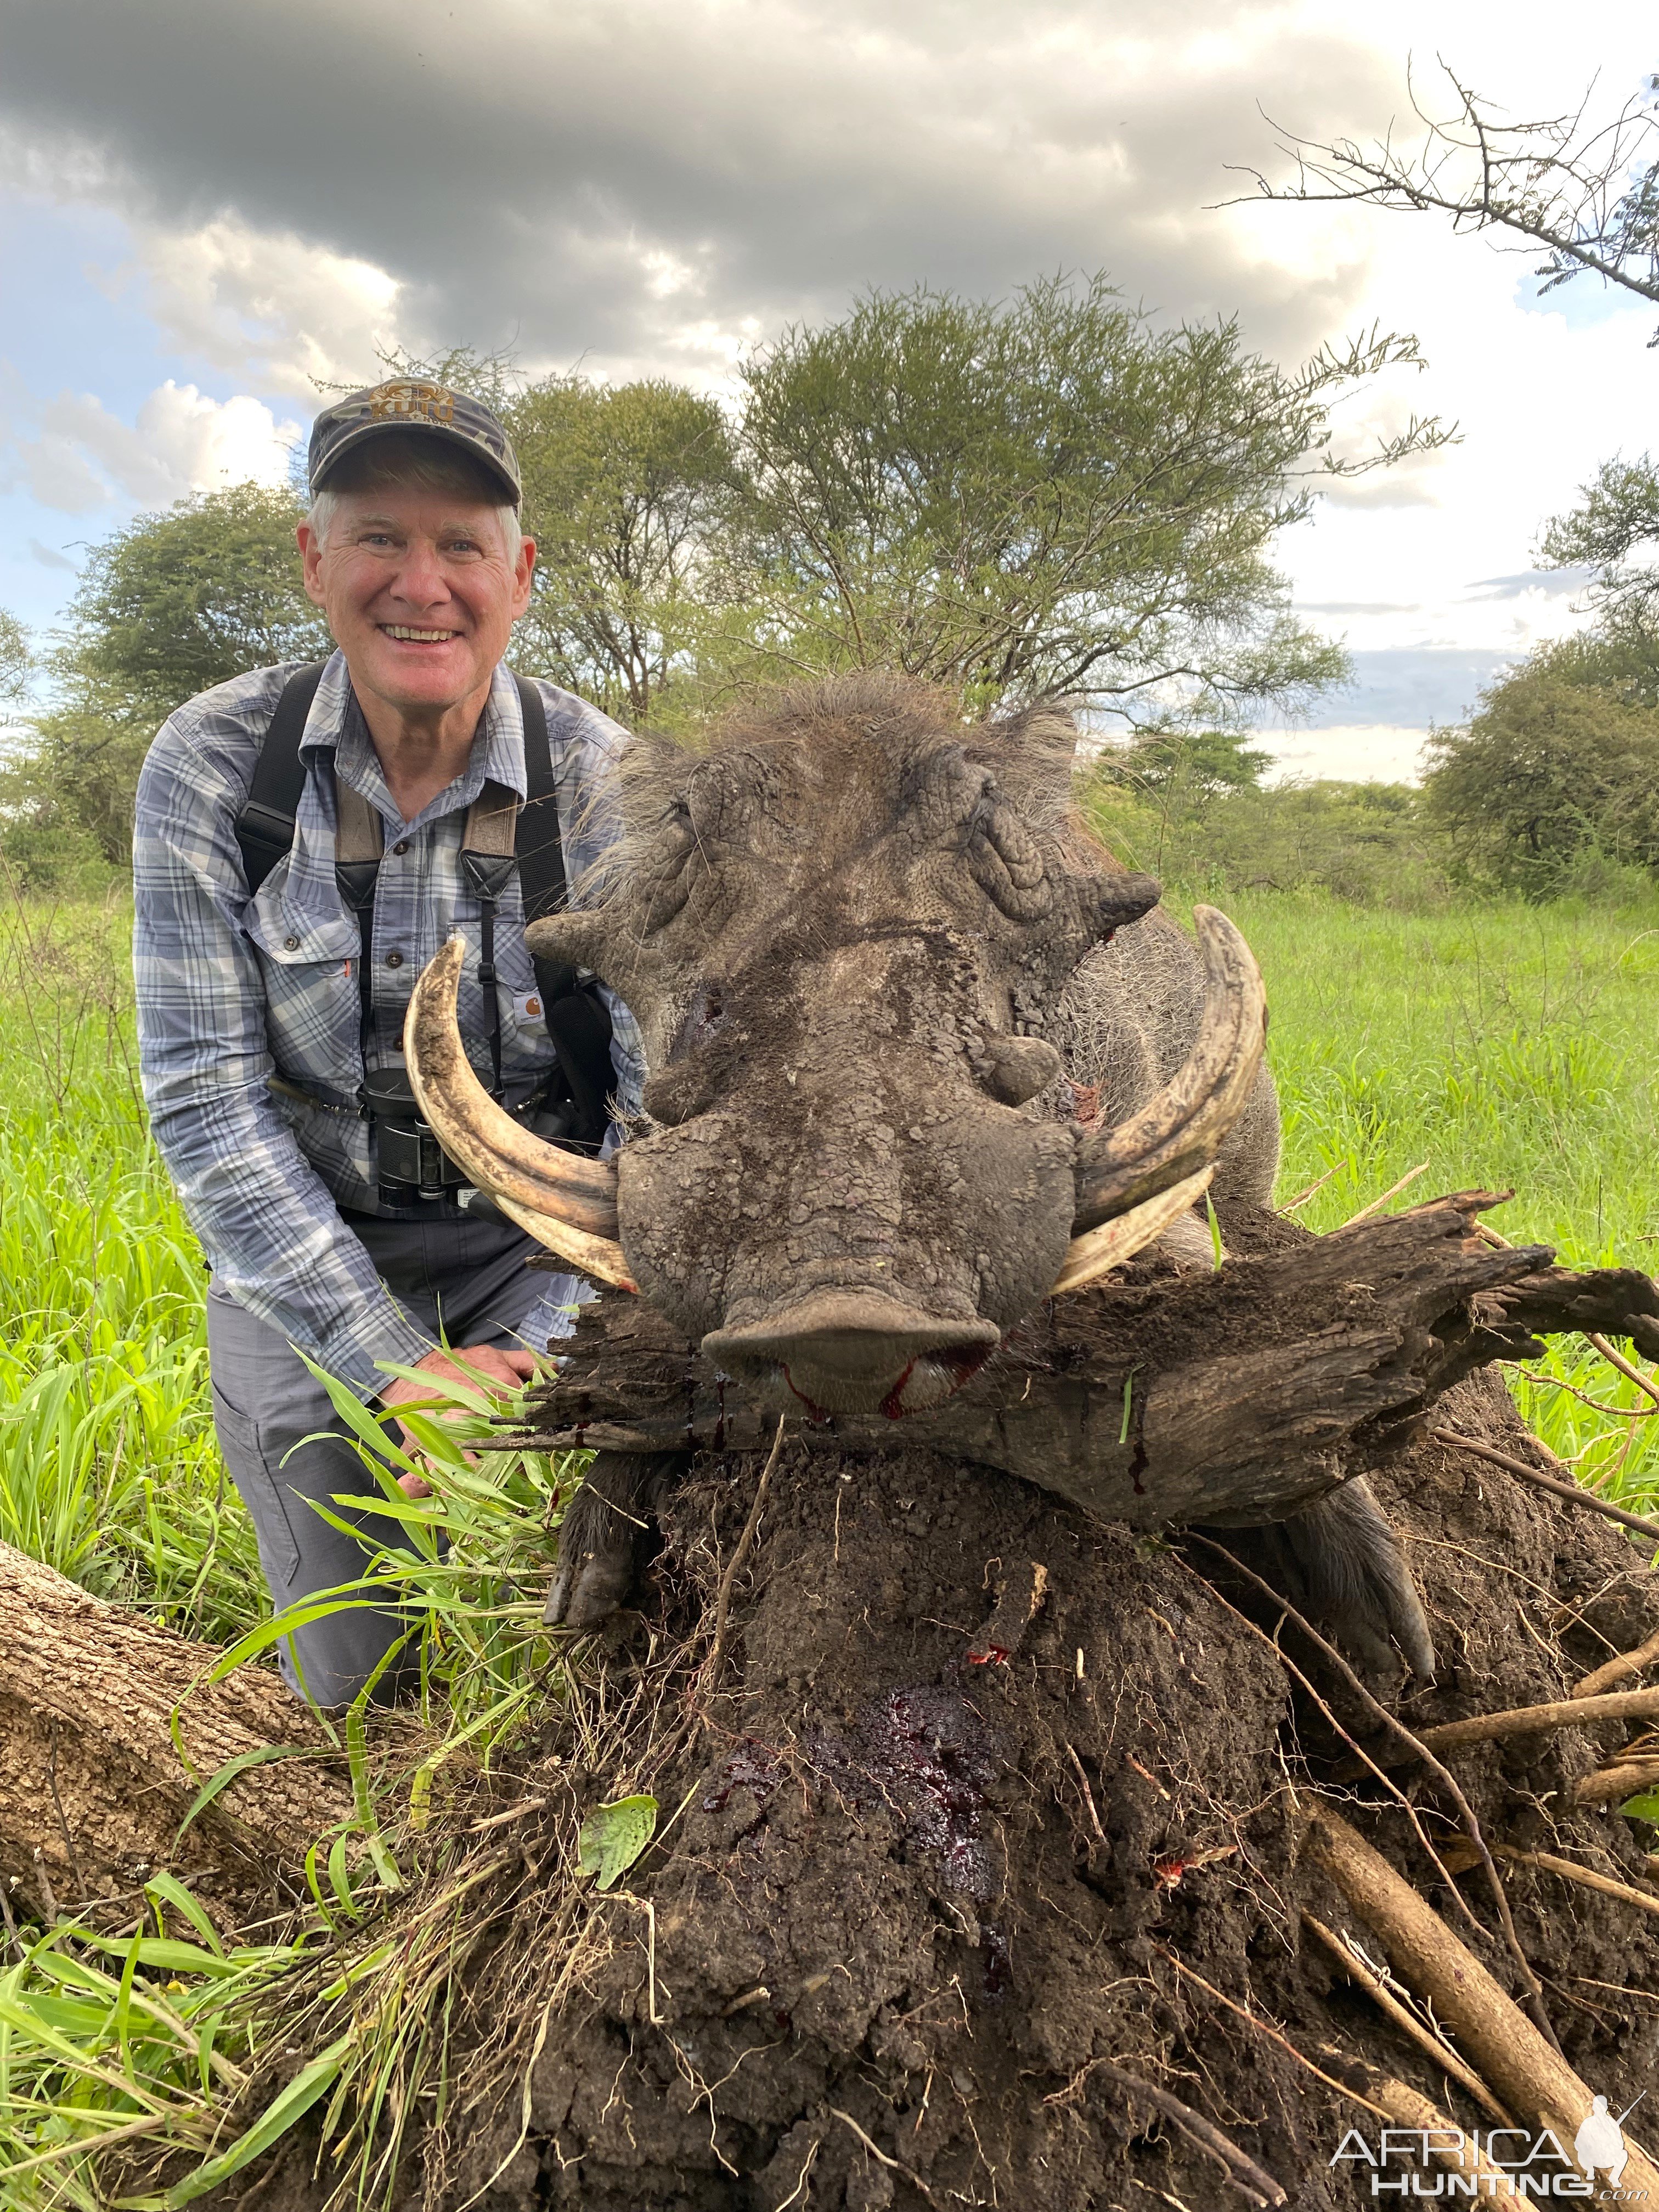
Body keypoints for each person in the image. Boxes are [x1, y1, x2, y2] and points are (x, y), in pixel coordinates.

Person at [134, 377, 643, 1707]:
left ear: (519, 575)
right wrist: (401, 1370)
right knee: (357, 1700)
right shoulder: (215, 766)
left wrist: (534, 1353)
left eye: (462, 545)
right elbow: (205, 1108)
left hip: (563, 1245)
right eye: (380, 538)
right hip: (309, 1253)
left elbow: (665, 1128)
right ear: (315, 560)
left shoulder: (607, 788)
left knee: (612, 1655)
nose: (423, 584)